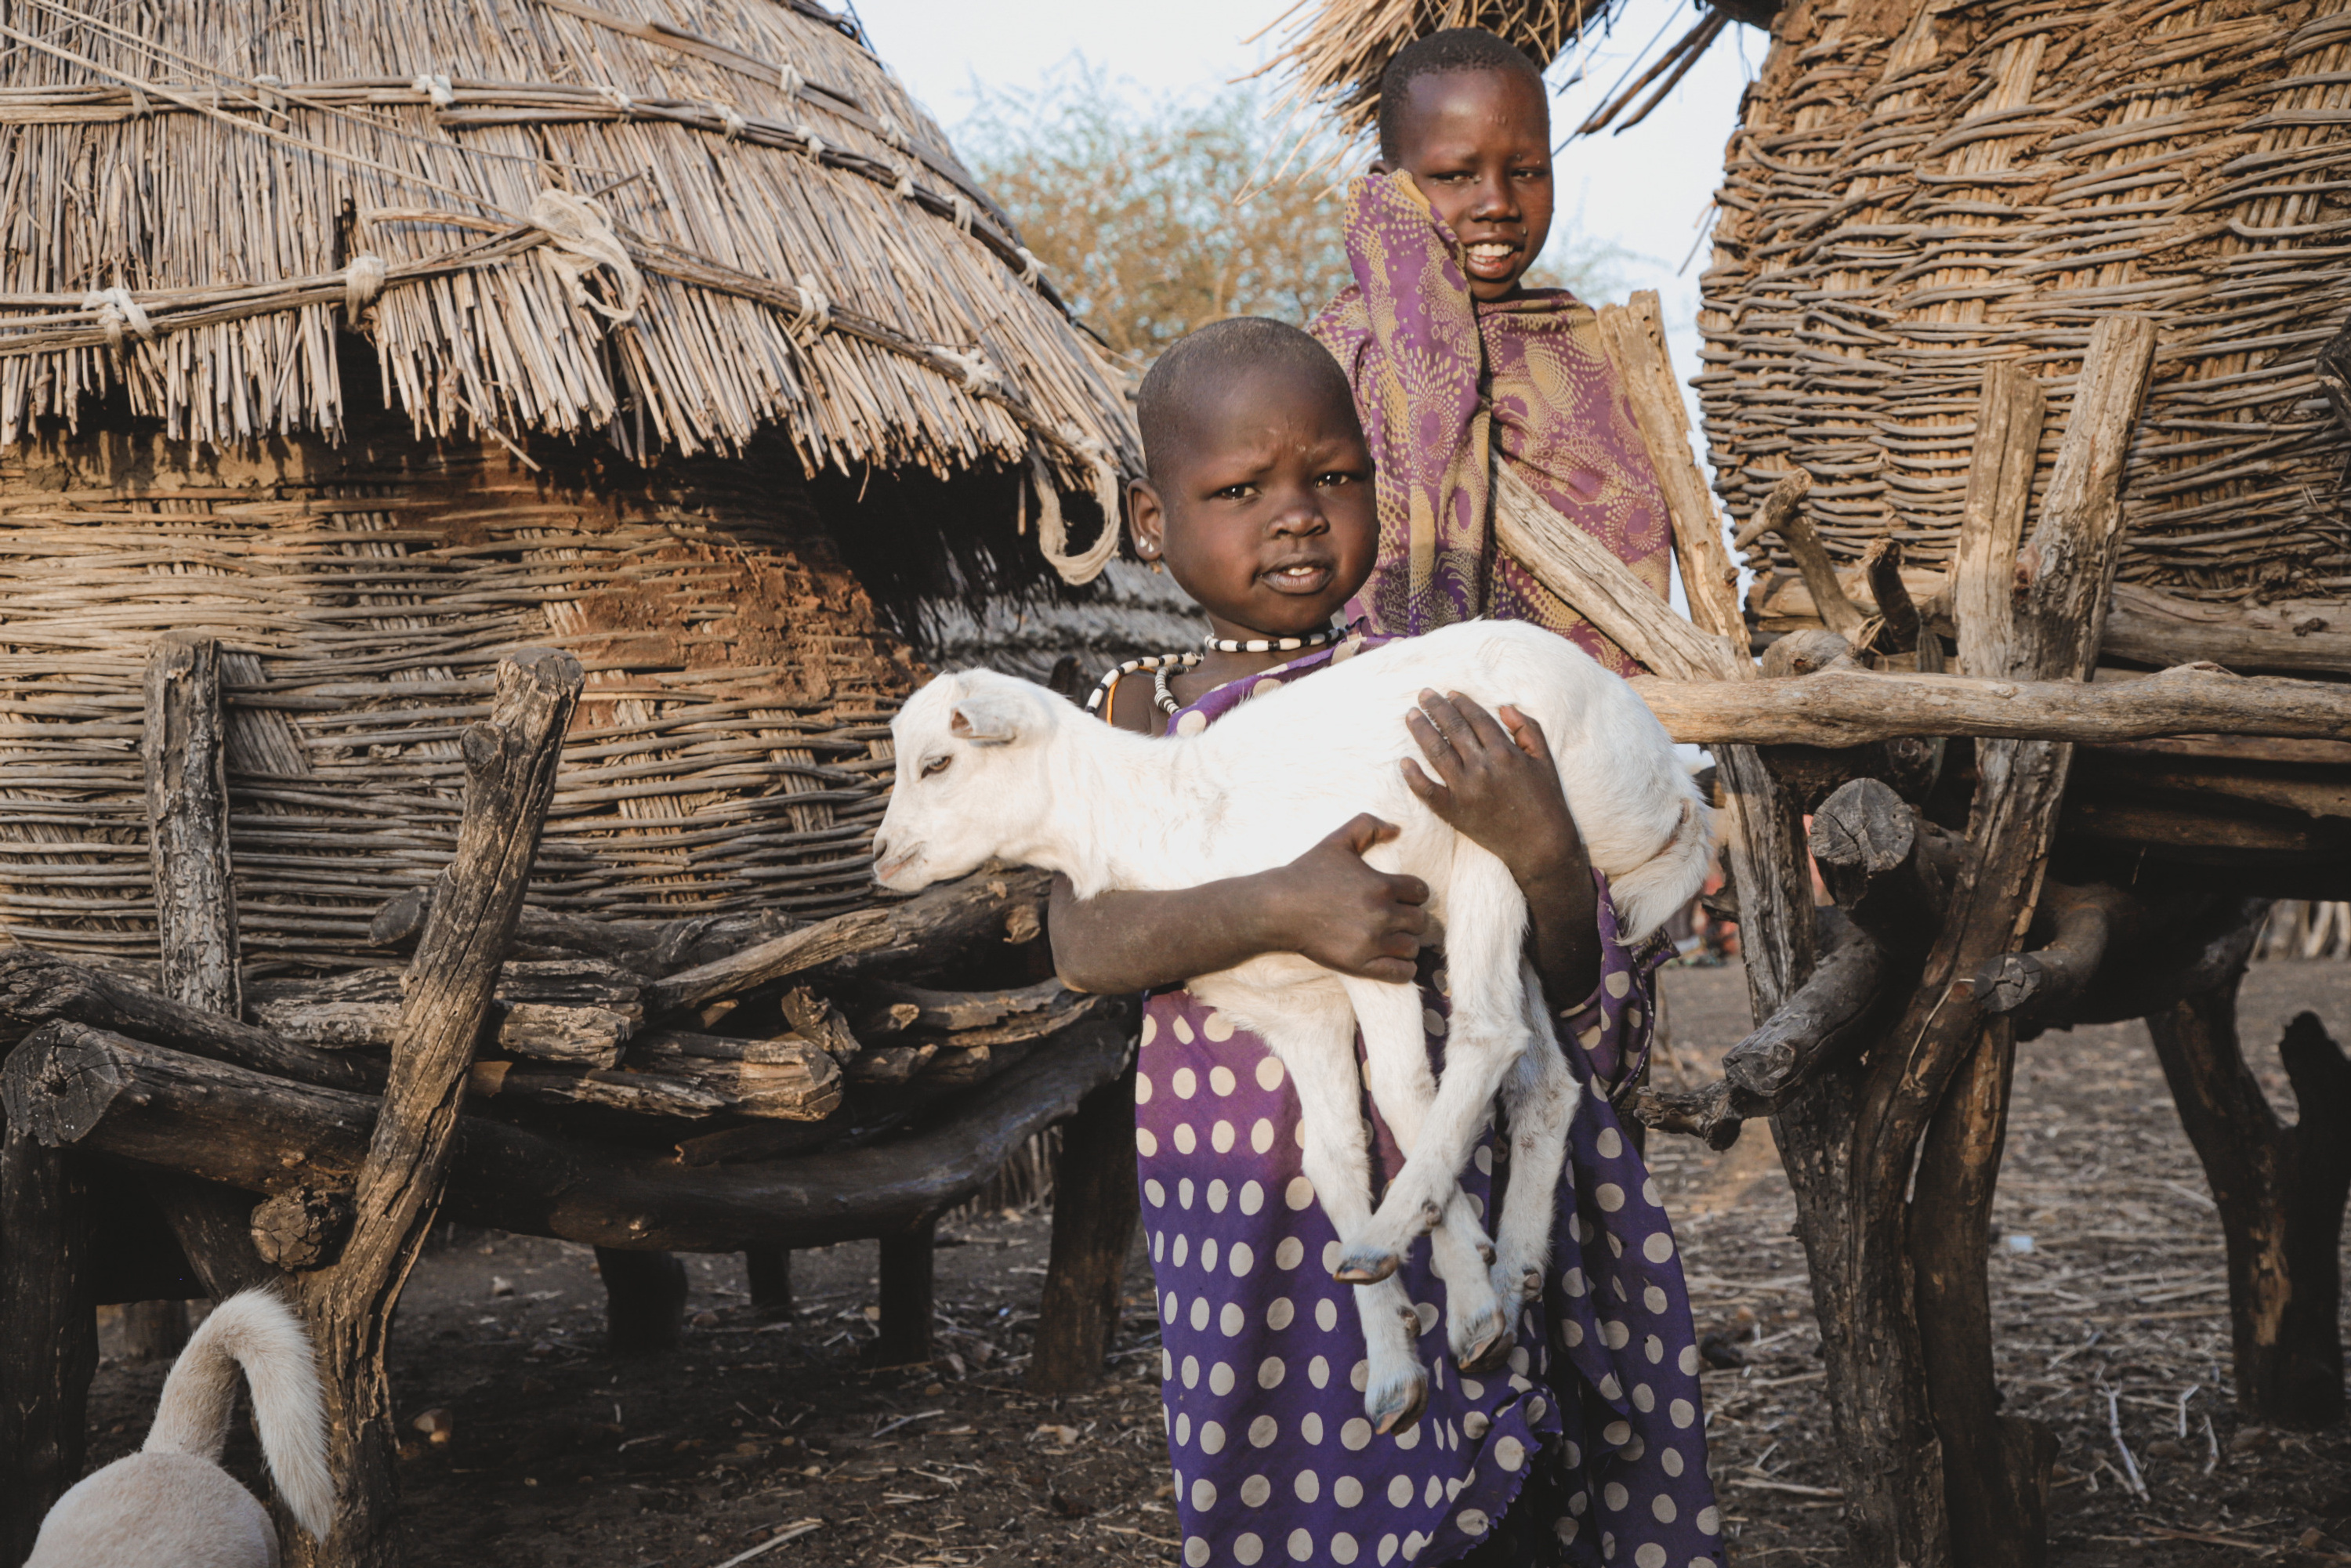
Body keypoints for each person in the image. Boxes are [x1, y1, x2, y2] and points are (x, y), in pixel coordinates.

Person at [1050, 316, 1720, 1567]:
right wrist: (1278, 906)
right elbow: (1083, 938)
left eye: (1335, 478)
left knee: (1506, 1476)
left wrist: (1539, 853)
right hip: (1254, 1196)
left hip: (1469, 1172)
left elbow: (1575, 979)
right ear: (1152, 521)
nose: (1297, 516)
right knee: (1300, 1462)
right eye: (1240, 490)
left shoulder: (1444, 692)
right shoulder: (1132, 714)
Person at [1309, 27, 1674, 677]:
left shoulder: (1585, 349)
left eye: (1527, 171)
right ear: (1390, 187)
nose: (1499, 203)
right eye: (1456, 175)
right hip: (1376, 711)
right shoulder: (1344, 354)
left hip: (1592, 717)